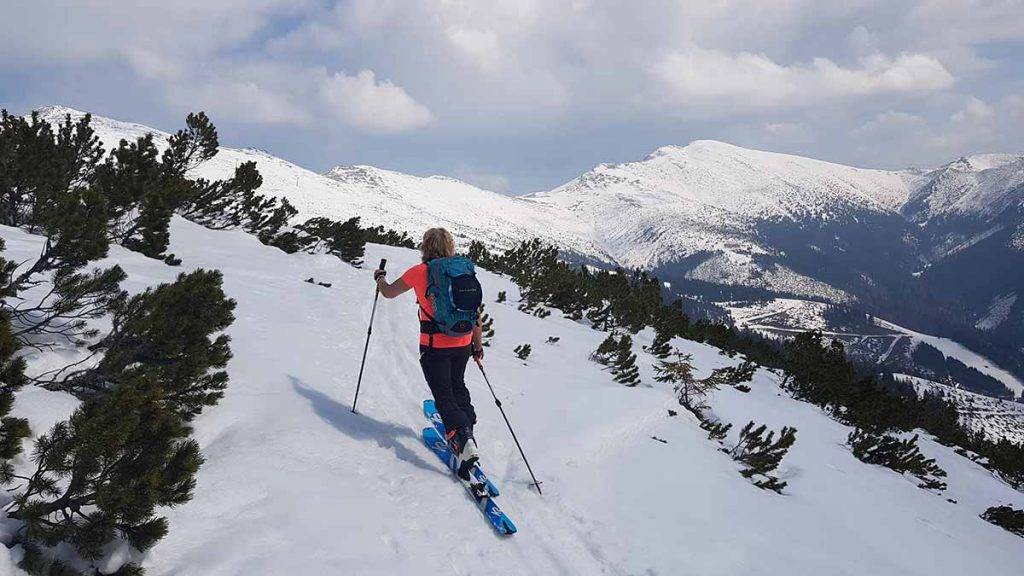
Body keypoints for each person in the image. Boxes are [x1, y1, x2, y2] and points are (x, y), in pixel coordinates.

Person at [374, 227, 485, 474]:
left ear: (425, 246)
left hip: (434, 345)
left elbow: (389, 293)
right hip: (462, 342)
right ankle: (468, 436)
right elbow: (475, 313)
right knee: (458, 387)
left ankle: (462, 437)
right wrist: (477, 346)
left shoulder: (419, 272)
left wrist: (380, 279)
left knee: (444, 395)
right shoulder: (463, 271)